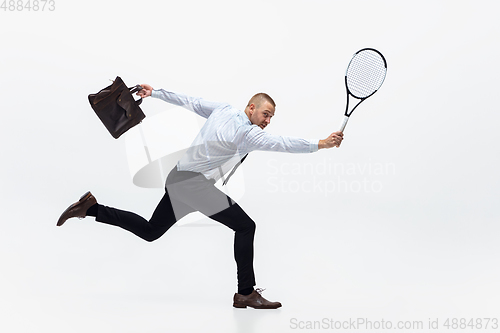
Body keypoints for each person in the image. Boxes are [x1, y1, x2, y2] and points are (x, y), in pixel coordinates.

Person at [57, 84, 344, 309]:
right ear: (252, 108)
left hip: (179, 178)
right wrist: (320, 144)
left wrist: (155, 92)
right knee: (246, 226)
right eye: (265, 114)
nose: (268, 121)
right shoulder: (249, 134)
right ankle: (245, 293)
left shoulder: (223, 109)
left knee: (150, 231)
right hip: (191, 184)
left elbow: (190, 102)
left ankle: (91, 208)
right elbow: (282, 143)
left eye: (271, 117)